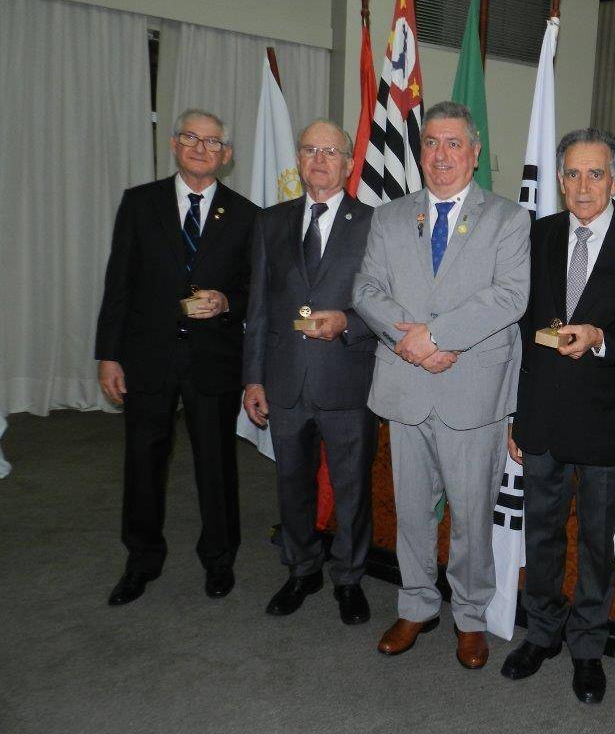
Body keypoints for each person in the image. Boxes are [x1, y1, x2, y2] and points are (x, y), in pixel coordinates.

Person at [352, 100, 530, 669]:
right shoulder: (389, 217)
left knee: (472, 516)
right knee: (411, 510)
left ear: (475, 153)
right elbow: (366, 290)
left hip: (471, 392)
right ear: (420, 151)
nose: (442, 154)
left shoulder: (508, 219)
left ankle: (471, 616)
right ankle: (416, 605)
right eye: (431, 142)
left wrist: (434, 336)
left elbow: (510, 297)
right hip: (406, 386)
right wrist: (410, 343)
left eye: (454, 143)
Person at [504, 128, 615, 703]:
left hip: (604, 424)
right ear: (559, 180)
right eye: (573, 174)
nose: (583, 186)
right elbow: (520, 333)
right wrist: (515, 414)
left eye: (595, 174)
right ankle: (541, 633)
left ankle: (586, 647)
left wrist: (602, 338)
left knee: (597, 543)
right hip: (542, 419)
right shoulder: (537, 237)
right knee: (541, 536)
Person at [96, 108, 257, 605]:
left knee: (216, 463)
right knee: (143, 459)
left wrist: (227, 302)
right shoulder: (139, 203)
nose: (200, 148)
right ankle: (141, 559)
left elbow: (255, 289)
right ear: (174, 144)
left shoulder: (246, 214)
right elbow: (119, 282)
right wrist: (109, 355)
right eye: (190, 137)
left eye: (212, 142)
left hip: (213, 357)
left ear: (226, 155)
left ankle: (219, 558)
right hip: (148, 354)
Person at [242, 120, 378, 623]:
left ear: (348, 163)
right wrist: (253, 378)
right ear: (298, 160)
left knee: (352, 489)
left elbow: (388, 304)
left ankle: (349, 578)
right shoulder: (270, 221)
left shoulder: (374, 224)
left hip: (348, 379)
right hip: (284, 381)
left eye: (330, 151)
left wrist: (348, 323)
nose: (319, 159)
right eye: (309, 150)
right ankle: (301, 569)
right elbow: (258, 307)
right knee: (291, 484)